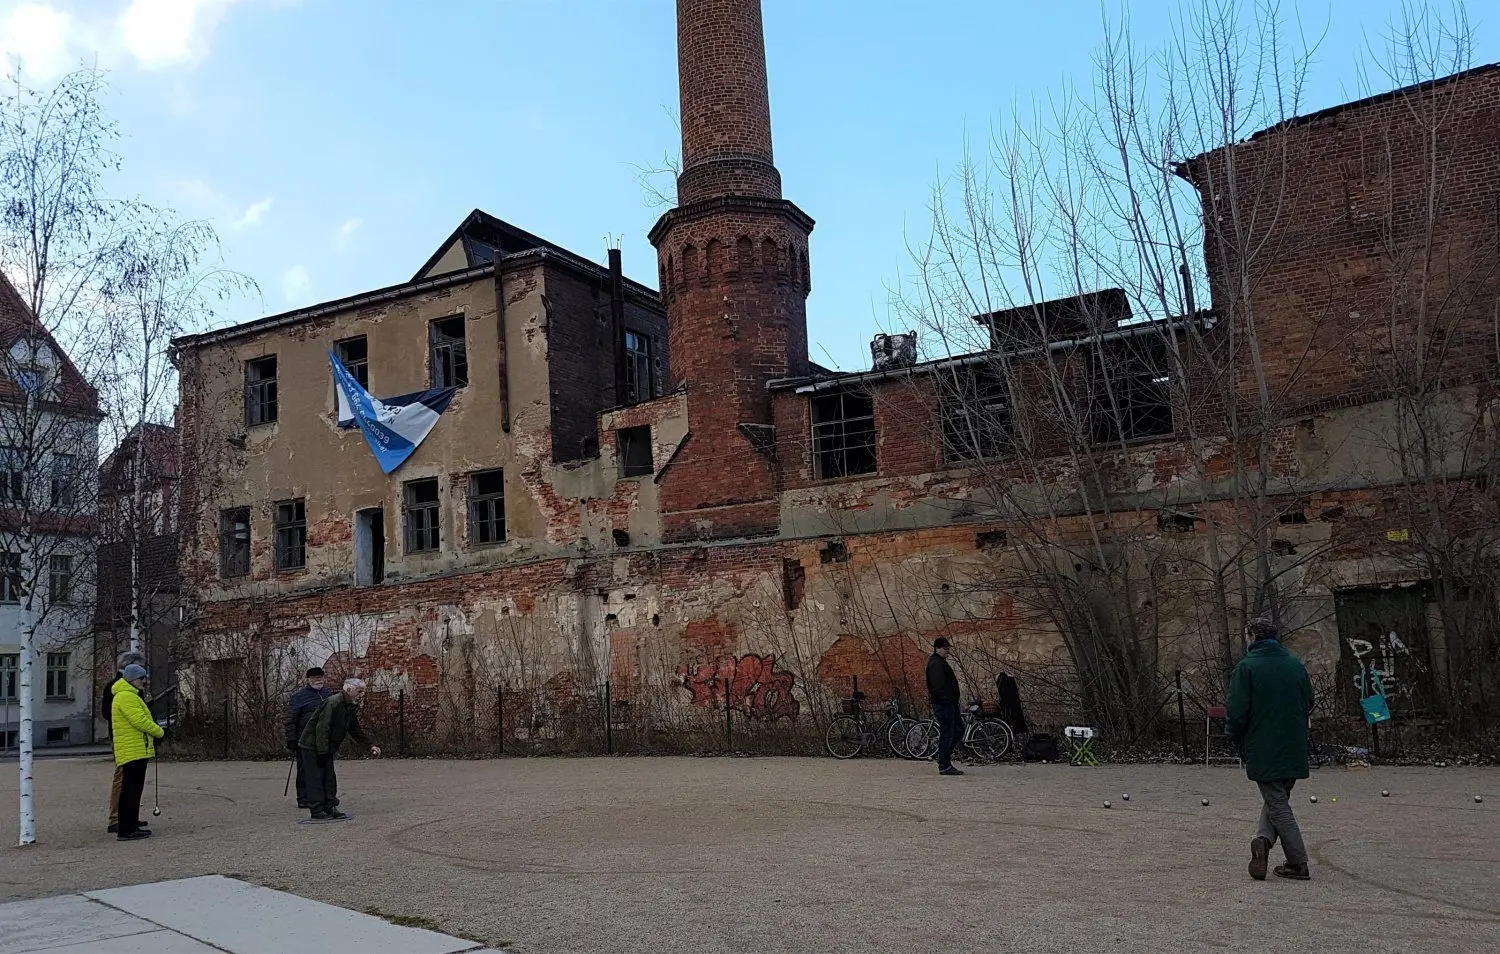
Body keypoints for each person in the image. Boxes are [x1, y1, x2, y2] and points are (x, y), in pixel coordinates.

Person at [1226, 617, 1315, 881]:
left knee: (1277, 803)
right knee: (1277, 798)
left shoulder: (1246, 667)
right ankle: (1263, 841)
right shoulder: (1295, 665)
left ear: (1253, 637)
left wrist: (1233, 735)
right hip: (1294, 744)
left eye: (1246, 636)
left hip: (1263, 746)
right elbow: (1309, 701)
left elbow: (1236, 711)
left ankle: (1298, 862)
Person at [297, 677, 382, 820]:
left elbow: (355, 729)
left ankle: (330, 806)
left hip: (326, 746)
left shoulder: (350, 705)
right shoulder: (333, 702)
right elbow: (322, 727)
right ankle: (317, 809)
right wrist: (322, 751)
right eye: (359, 691)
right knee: (315, 777)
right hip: (312, 745)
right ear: (349, 689)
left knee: (329, 777)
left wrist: (370, 745)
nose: (361, 695)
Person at [110, 664, 165, 841]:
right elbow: (139, 720)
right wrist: (159, 732)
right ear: (133, 679)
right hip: (132, 749)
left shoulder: (128, 695)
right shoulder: (126, 696)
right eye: (142, 678)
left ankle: (131, 823)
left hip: (134, 748)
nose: (144, 682)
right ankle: (126, 829)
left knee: (133, 789)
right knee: (130, 789)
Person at [103, 650, 146, 834]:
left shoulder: (128, 686)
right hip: (123, 737)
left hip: (131, 737)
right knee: (122, 778)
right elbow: (108, 712)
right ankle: (116, 818)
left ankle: (128, 817)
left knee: (130, 780)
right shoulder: (116, 687)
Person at [284, 667, 334, 808]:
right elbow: (291, 719)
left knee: (324, 768)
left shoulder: (328, 694)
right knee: (304, 769)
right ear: (308, 680)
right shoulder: (299, 697)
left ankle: (322, 796)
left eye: (320, 677)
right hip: (304, 739)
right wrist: (291, 738)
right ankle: (303, 797)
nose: (318, 680)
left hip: (324, 739)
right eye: (314, 678)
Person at [926, 637, 964, 776]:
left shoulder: (940, 662)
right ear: (937, 648)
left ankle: (944, 758)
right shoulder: (936, 664)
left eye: (948, 649)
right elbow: (938, 686)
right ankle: (944, 764)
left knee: (958, 730)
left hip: (949, 704)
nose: (947, 651)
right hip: (944, 704)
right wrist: (948, 699)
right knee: (948, 733)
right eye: (945, 649)